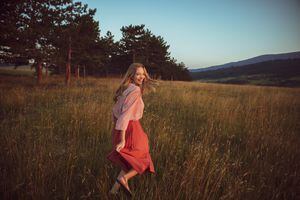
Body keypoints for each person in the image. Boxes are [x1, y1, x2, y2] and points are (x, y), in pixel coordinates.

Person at [107, 63, 158, 196]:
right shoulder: (134, 91)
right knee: (143, 158)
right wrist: (123, 139)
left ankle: (113, 191)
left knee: (131, 160)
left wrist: (117, 131)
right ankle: (125, 178)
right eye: (138, 74)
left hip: (121, 127)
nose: (141, 77)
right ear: (132, 75)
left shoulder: (126, 89)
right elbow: (125, 115)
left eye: (143, 74)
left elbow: (115, 111)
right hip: (131, 128)